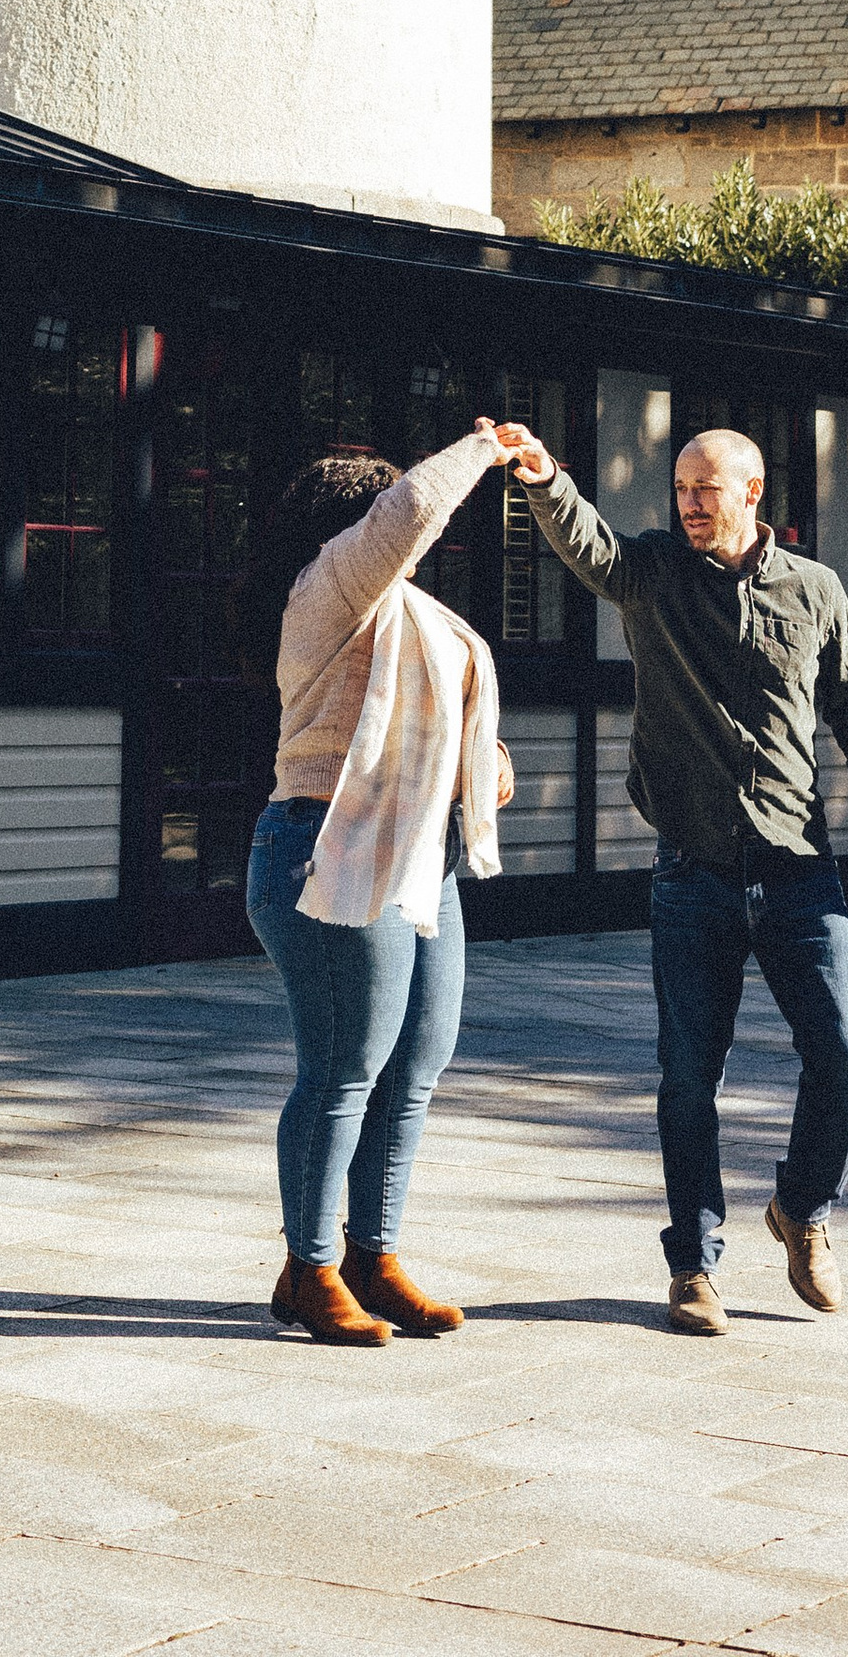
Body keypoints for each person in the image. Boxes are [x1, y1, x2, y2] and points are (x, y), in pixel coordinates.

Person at [490, 416, 848, 1335]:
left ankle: (803, 1209)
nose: (687, 503)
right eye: (680, 488)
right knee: (689, 1074)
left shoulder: (814, 590)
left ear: (753, 496)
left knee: (843, 1043)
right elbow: (592, 549)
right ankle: (693, 1264)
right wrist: (542, 477)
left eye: (705, 490)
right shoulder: (653, 574)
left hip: (798, 869)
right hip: (692, 872)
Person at [240, 423, 515, 1344]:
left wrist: (489, 763)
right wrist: (483, 448)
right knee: (343, 1070)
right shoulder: (328, 590)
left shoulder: (407, 614)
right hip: (323, 852)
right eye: (377, 519)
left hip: (418, 858)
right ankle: (309, 1268)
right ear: (349, 528)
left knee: (415, 1066)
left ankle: (372, 1255)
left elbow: (443, 728)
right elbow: (411, 513)